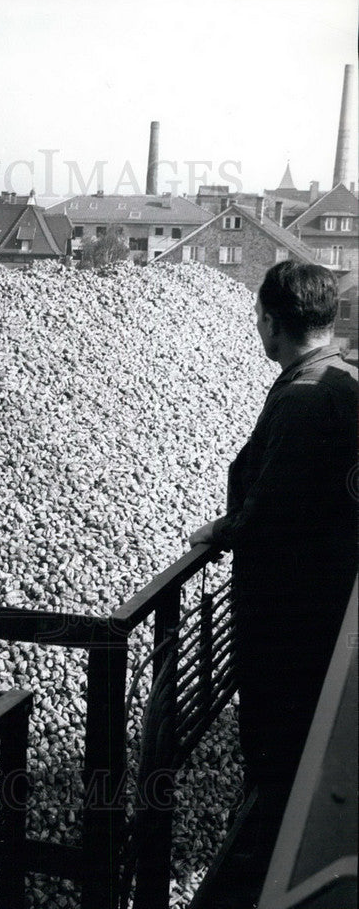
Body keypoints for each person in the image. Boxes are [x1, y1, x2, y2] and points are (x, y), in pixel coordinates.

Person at [189, 261, 357, 855]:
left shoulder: (305, 398)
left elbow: (272, 506)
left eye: (258, 317)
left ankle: (270, 859)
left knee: (279, 747)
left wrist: (222, 529)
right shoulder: (342, 376)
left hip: (291, 618)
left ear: (271, 322)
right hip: (330, 604)